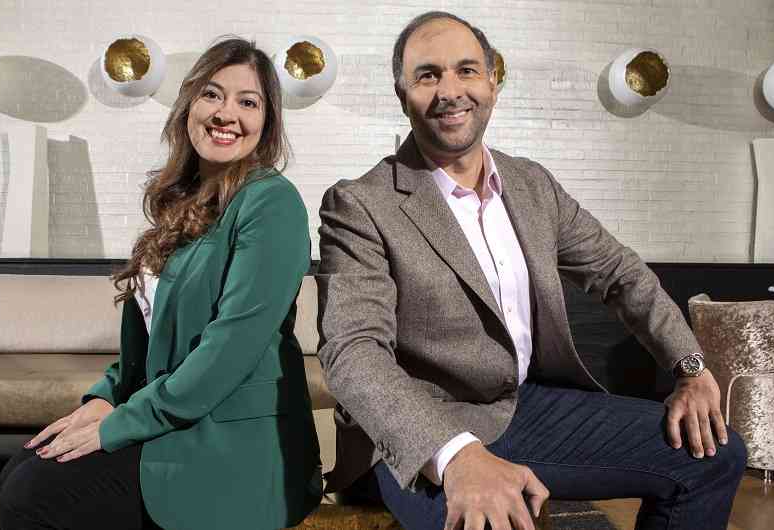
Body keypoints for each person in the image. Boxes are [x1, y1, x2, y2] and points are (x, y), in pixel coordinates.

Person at [316, 11, 746, 530]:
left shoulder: (532, 185)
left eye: (466, 70)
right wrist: (456, 455)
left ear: (492, 82)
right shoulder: (361, 204)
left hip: (524, 405)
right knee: (485, 520)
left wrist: (691, 368)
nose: (450, 91)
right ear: (402, 94)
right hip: (421, 427)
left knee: (715, 456)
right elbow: (354, 351)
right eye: (427, 75)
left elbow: (621, 273)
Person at [0, 37, 322, 530]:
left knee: (33, 495)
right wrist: (105, 399)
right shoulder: (182, 200)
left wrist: (119, 425)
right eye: (212, 95)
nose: (226, 113)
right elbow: (152, 343)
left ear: (267, 123)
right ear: (189, 104)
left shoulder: (271, 203)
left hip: (232, 445)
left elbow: (227, 351)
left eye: (248, 102)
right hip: (173, 416)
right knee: (20, 468)